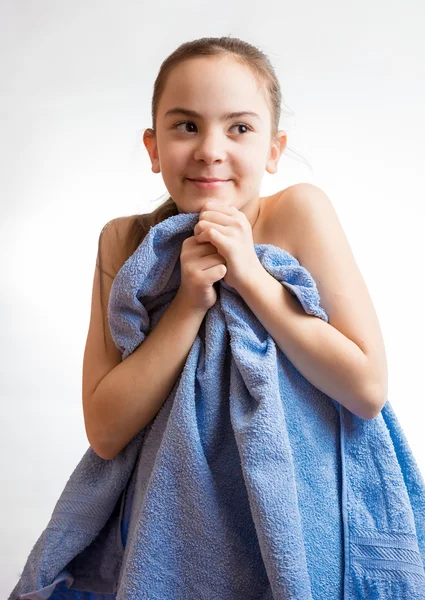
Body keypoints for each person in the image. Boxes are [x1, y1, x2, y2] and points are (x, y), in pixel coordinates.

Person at [82, 35, 388, 468]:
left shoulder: (299, 213)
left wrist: (251, 276)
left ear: (273, 150)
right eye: (187, 126)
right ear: (153, 148)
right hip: (174, 510)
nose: (210, 151)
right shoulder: (124, 241)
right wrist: (187, 306)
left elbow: (368, 390)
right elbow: (104, 433)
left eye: (239, 128)